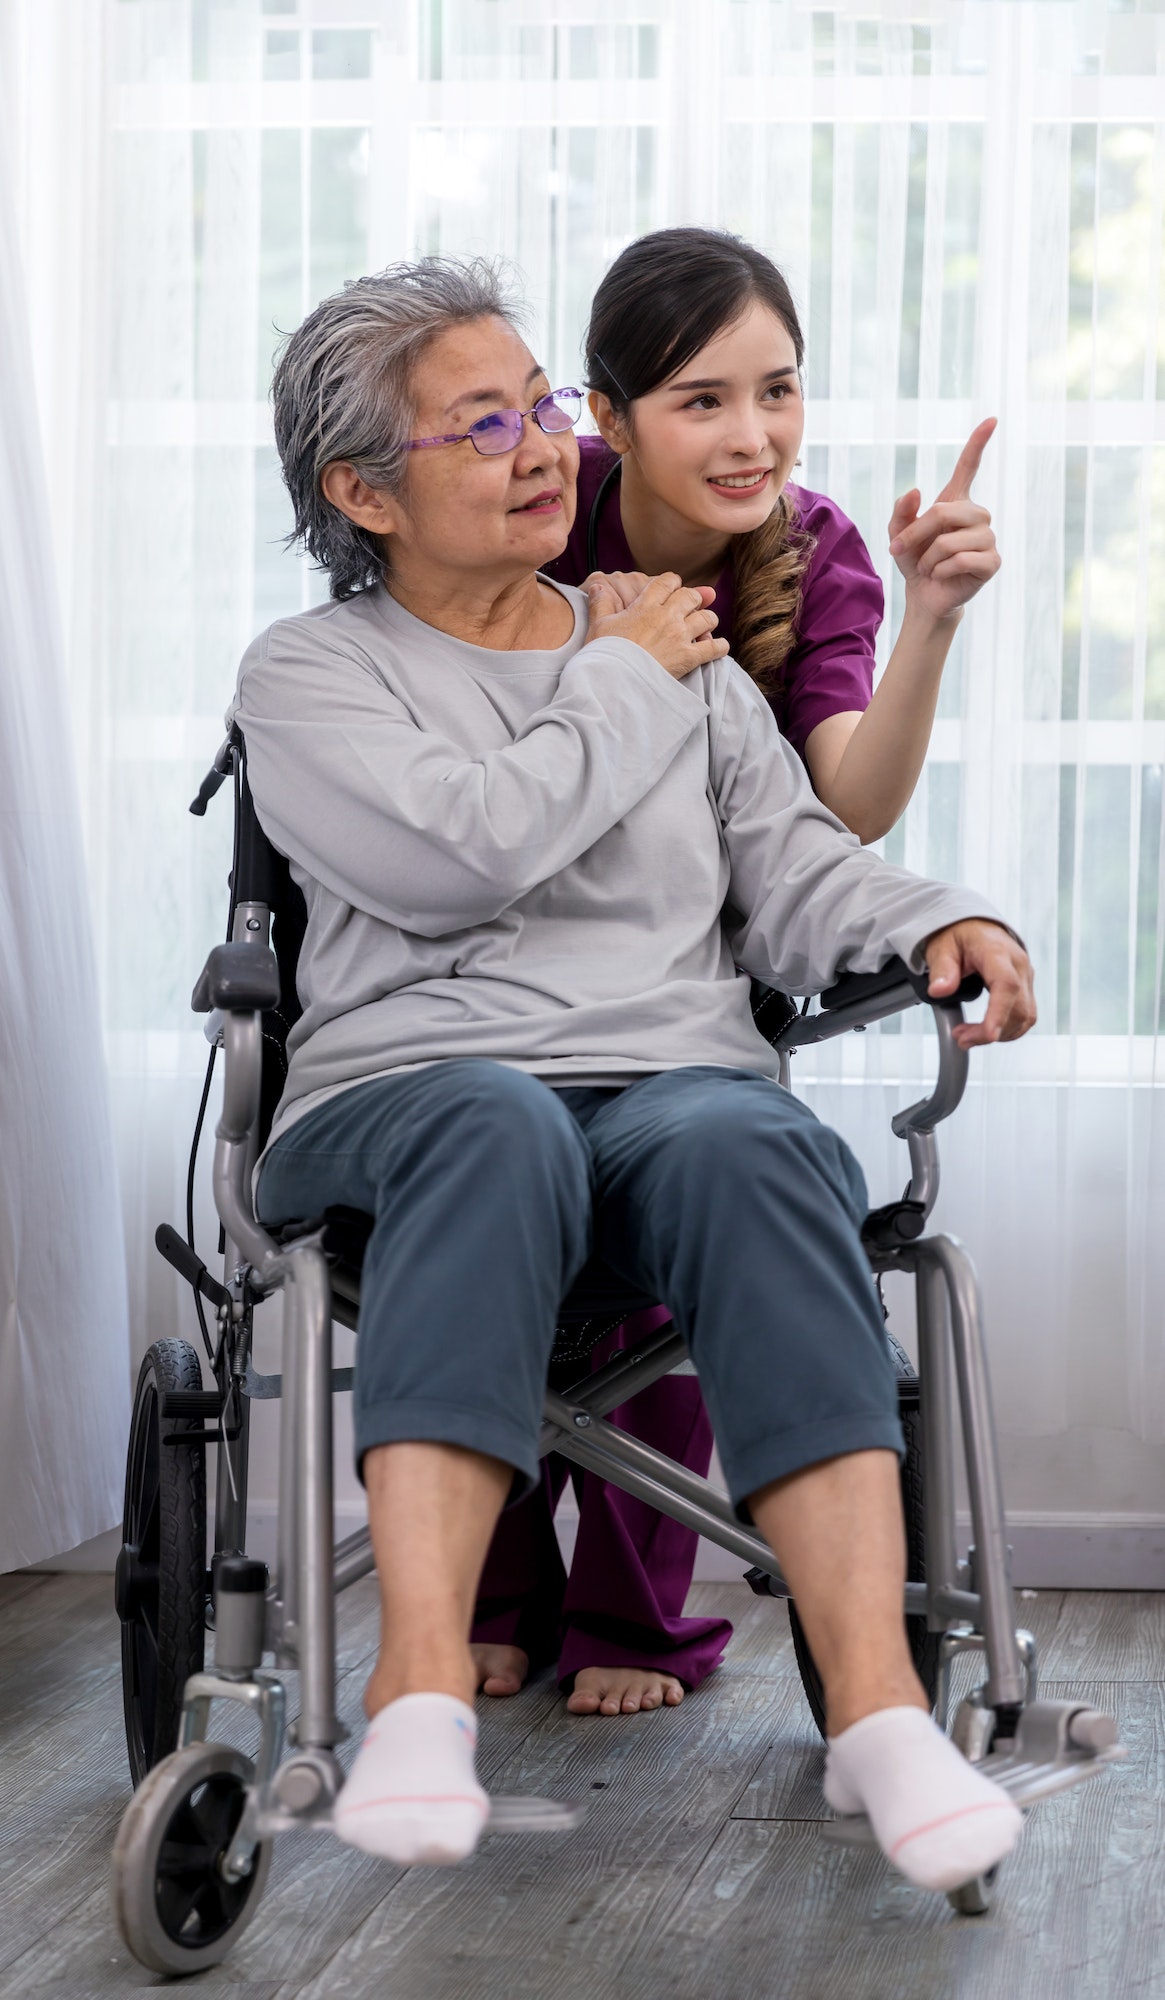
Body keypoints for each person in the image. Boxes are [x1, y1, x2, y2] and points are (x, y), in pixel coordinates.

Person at [233, 257, 1036, 1892]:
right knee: (492, 1118)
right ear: (361, 493)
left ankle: (879, 1718)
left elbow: (799, 875)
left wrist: (939, 915)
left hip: (660, 1094)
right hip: (409, 1104)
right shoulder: (313, 675)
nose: (541, 446)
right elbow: (461, 856)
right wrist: (618, 668)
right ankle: (415, 1696)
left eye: (538, 404)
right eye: (483, 425)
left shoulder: (695, 672)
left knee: (753, 1138)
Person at [474, 227, 1003, 1720]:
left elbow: (844, 807)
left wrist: (930, 622)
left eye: (777, 391)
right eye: (702, 400)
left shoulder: (814, 549)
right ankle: (495, 1598)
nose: (751, 434)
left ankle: (633, 1616)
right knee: (494, 1209)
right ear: (607, 413)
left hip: (697, 964)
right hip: (501, 943)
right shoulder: (539, 509)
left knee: (683, 1214)